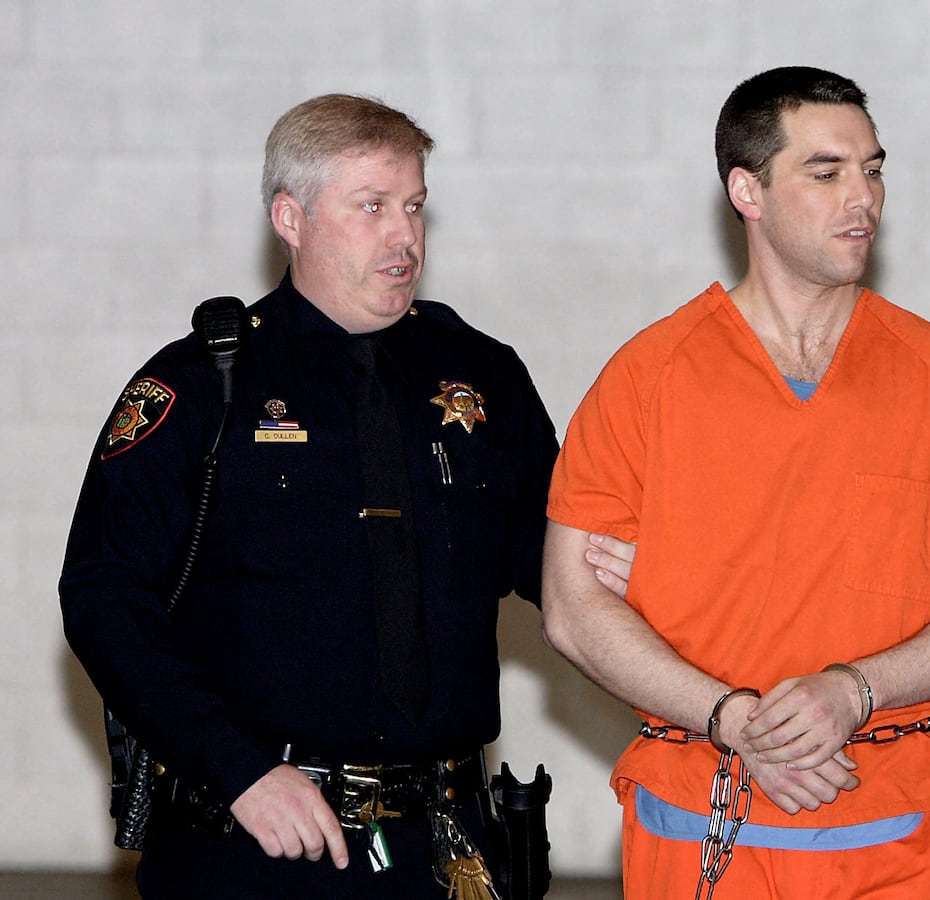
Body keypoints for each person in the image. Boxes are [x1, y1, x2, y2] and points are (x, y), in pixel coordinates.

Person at [540, 66, 930, 899]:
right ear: (748, 189)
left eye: (873, 169)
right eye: (827, 172)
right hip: (700, 818)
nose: (863, 197)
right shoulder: (649, 379)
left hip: (888, 832)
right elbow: (570, 607)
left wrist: (856, 690)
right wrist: (732, 718)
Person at [61, 93, 563, 898]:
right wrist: (239, 768)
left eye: (414, 206)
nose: (405, 236)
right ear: (290, 218)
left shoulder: (481, 376)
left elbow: (564, 570)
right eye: (372, 207)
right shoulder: (202, 387)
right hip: (260, 838)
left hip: (447, 843)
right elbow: (102, 595)